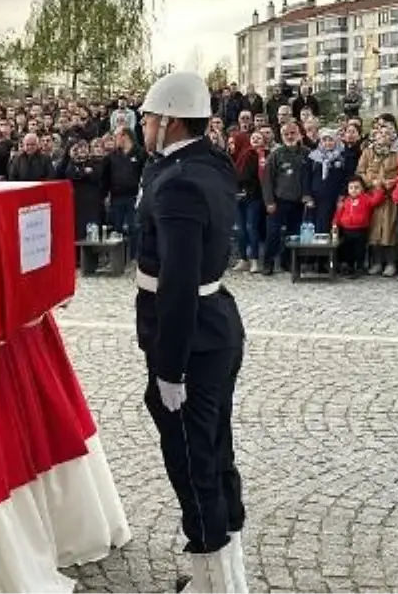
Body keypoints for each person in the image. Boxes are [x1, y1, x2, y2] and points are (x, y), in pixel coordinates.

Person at [133, 71, 247, 592]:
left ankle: (213, 582)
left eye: (150, 118)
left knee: (192, 459)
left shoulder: (178, 179)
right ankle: (227, 570)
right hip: (216, 323)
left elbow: (177, 282)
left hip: (191, 335)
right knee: (215, 448)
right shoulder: (207, 160)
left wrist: (169, 366)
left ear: (172, 120)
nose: (145, 127)